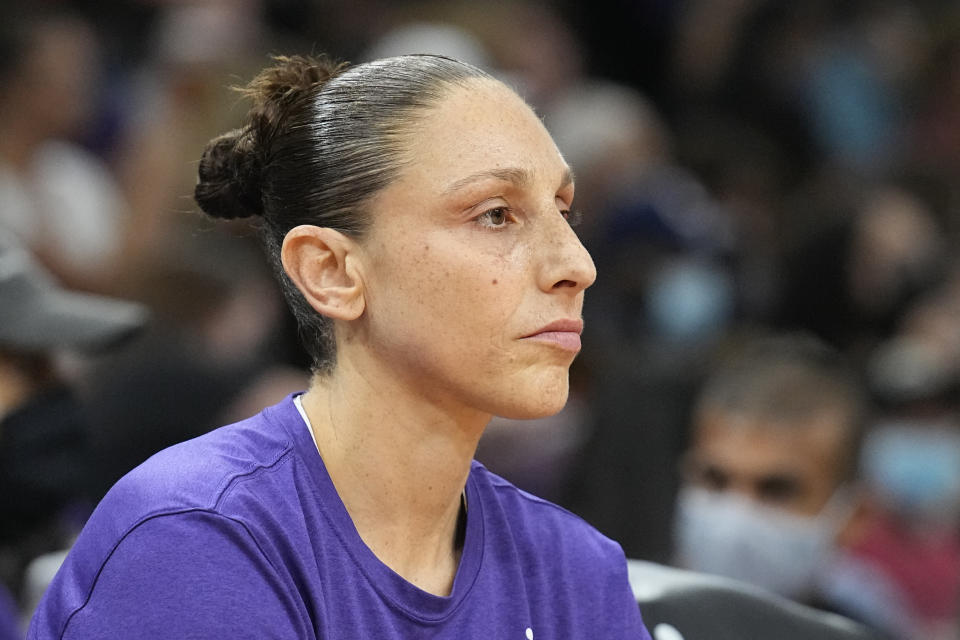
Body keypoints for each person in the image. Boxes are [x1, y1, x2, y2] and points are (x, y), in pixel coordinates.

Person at [28, 54, 651, 638]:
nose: (577, 264)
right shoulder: (195, 535)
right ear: (331, 270)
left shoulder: (579, 571)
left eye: (564, 211)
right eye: (496, 214)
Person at [672, 335, 884, 621]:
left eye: (776, 490)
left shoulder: (868, 628)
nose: (735, 516)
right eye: (715, 480)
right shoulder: (617, 613)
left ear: (854, 517)